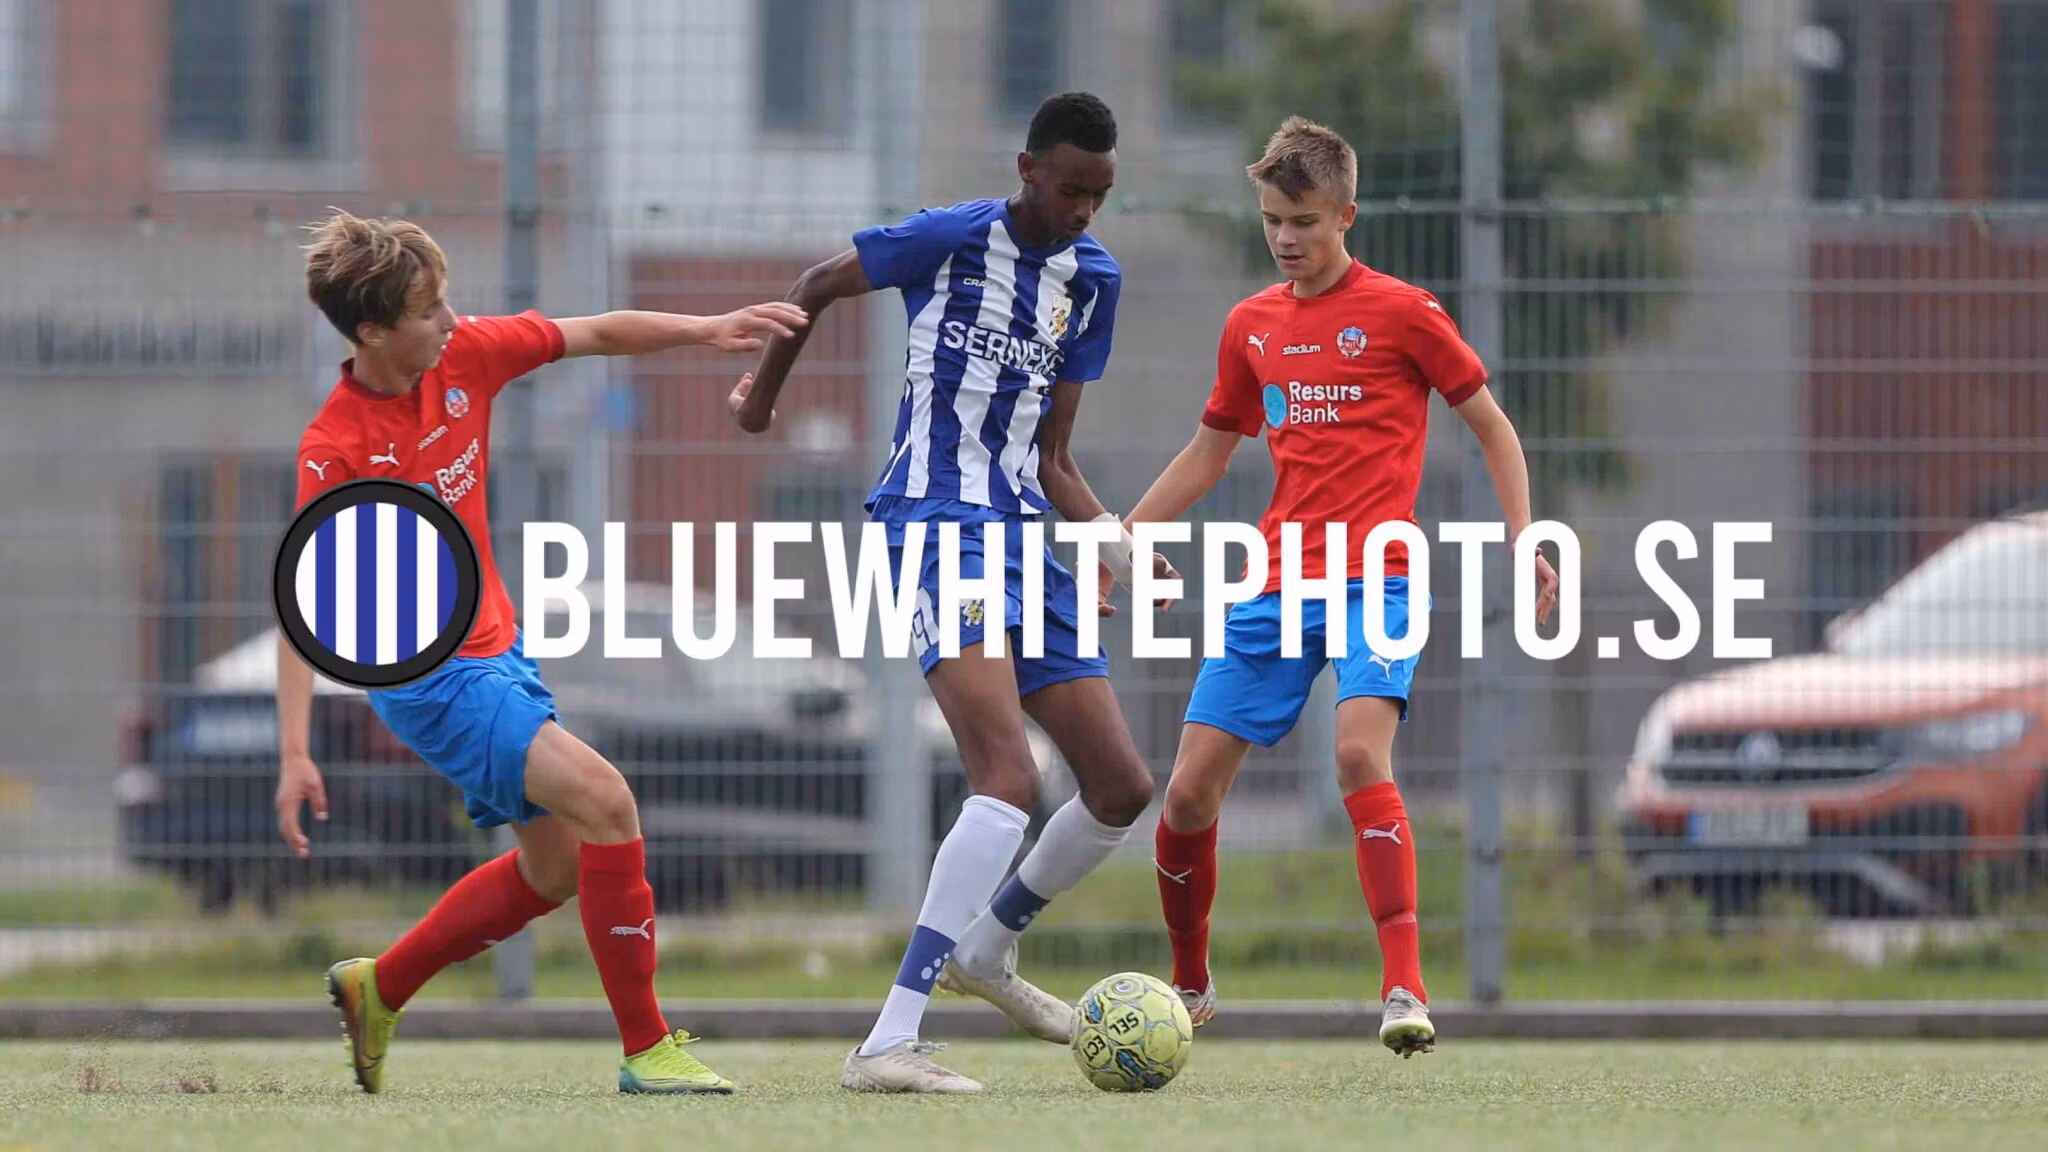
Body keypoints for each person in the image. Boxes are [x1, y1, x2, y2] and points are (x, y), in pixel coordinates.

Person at [274, 208, 809, 1095]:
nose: (451, 320)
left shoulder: (464, 356)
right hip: (430, 680)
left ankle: (382, 986)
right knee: (607, 800)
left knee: (555, 868)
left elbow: (596, 332)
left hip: (499, 650)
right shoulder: (338, 449)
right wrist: (295, 751)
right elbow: (306, 608)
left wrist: (707, 327)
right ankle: (648, 1049)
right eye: (428, 310)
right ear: (371, 331)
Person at [728, 92, 1168, 1095]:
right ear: (1026, 170)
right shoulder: (949, 239)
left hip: (1023, 538)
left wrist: (1112, 544)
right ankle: (887, 1041)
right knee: (1004, 778)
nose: (1083, 211)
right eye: (1069, 189)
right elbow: (814, 284)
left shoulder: (1091, 280)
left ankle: (987, 948)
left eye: (1099, 196)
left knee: (1118, 786)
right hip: (936, 528)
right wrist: (760, 400)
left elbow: (1052, 458)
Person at [1126, 117, 1559, 1057]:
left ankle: (1404, 988)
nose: (1285, 238)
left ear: (1345, 216)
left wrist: (1525, 537)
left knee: (1360, 755)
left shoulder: (1405, 313)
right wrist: (1125, 536)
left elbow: (1493, 427)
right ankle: (1190, 984)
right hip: (1277, 582)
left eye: (1304, 222)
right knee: (1187, 796)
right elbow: (1210, 451)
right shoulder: (1250, 325)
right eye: (1272, 221)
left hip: (1381, 579)